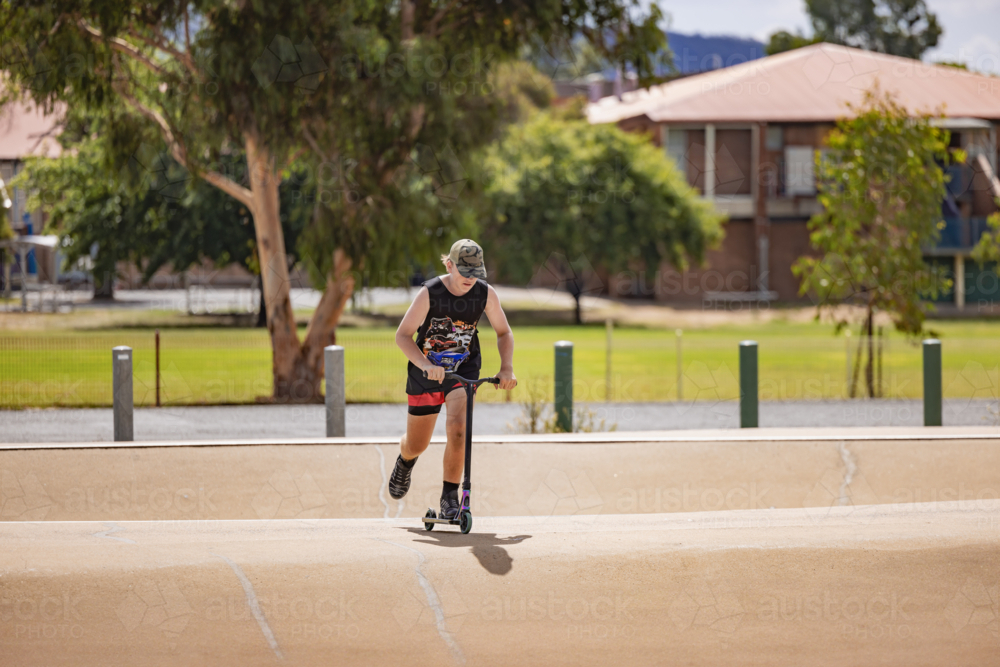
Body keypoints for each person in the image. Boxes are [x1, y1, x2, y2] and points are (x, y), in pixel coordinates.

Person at [389, 239, 517, 519]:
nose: (471, 279)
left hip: (463, 370)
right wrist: (424, 364)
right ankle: (405, 458)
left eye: (477, 272)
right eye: (465, 272)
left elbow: (504, 332)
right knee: (417, 444)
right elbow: (402, 335)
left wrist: (506, 367)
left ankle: (449, 498)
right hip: (426, 372)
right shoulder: (430, 293)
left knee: (459, 429)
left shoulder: (485, 294)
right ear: (449, 265)